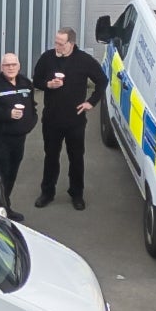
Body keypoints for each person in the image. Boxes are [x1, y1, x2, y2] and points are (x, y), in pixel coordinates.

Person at [32, 25, 105, 209]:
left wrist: (91, 102)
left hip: (75, 120)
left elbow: (102, 81)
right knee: (51, 156)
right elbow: (36, 80)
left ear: (71, 43)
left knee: (76, 157)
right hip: (51, 119)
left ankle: (76, 194)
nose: (57, 46)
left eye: (61, 43)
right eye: (56, 42)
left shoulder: (83, 60)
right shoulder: (47, 58)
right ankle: (47, 192)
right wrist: (48, 84)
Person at [0, 52, 38, 214]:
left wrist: (31, 123)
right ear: (1, 67)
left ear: (19, 65)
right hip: (0, 140)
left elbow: (33, 106)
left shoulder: (26, 83)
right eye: (7, 65)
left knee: (12, 174)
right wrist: (7, 114)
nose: (11, 68)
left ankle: (5, 206)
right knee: (0, 175)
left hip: (19, 140)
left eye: (13, 65)